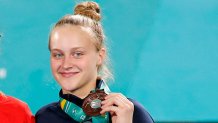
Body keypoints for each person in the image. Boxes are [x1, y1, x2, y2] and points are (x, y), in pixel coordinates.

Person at [35, 1, 154, 123]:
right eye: (58, 54)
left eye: (77, 54)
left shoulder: (131, 113)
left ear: (100, 56)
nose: (66, 64)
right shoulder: (44, 117)